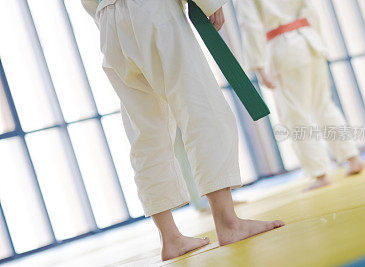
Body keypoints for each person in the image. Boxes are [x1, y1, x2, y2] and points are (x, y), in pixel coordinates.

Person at [82, 0, 284, 261]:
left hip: (108, 23)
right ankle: (228, 223)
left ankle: (170, 238)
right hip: (152, 11)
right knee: (201, 109)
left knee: (145, 133)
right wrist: (210, 4)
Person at [235, 0, 365, 191]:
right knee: (323, 104)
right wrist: (317, 38)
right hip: (309, 40)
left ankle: (319, 174)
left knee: (295, 115)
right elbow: (310, 8)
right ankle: (353, 158)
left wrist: (259, 67)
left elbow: (250, 23)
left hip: (284, 47)